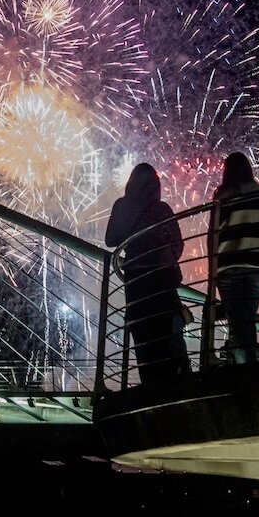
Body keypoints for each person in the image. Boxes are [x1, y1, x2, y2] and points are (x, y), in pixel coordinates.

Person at [105, 163, 189, 383]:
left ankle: (151, 388)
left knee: (143, 340)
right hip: (162, 280)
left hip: (135, 282)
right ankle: (176, 385)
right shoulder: (161, 209)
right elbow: (178, 245)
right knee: (168, 337)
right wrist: (164, 256)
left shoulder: (122, 206)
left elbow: (110, 240)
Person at [212, 151, 259, 364]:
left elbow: (213, 234)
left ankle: (245, 373)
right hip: (257, 266)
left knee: (237, 324)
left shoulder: (223, 196)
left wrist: (213, 267)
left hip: (229, 265)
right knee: (247, 320)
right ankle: (250, 365)